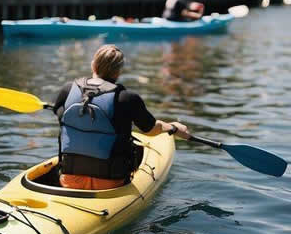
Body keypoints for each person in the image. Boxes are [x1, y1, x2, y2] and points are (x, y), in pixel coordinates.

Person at [53, 44, 191, 191]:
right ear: (118, 72)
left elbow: (59, 114)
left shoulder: (67, 90)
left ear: (93, 65)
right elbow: (150, 130)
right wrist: (173, 127)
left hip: (69, 179)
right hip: (111, 182)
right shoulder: (127, 98)